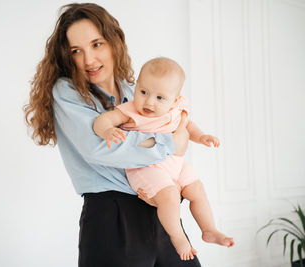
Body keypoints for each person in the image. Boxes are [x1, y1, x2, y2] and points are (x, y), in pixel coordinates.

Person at [24, 3, 201, 266]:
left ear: (114, 41)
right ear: (66, 56)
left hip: (159, 210)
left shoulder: (136, 91)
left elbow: (179, 128)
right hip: (112, 218)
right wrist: (170, 143)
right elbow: (101, 149)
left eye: (97, 44)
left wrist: (177, 143)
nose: (89, 60)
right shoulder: (67, 92)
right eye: (76, 51)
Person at [93, 57, 235, 260]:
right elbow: (103, 120)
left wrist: (201, 136)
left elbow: (188, 125)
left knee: (197, 189)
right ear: (137, 87)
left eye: (160, 98)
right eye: (143, 92)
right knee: (170, 196)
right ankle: (177, 237)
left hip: (176, 164)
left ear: (175, 100)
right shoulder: (131, 111)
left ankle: (209, 229)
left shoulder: (177, 109)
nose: (149, 101)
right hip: (146, 168)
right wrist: (107, 130)